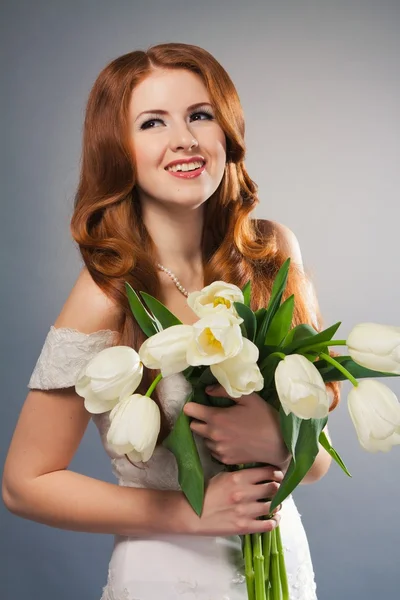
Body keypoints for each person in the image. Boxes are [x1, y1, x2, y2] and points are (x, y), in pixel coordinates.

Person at [2, 43, 339, 600]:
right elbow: (24, 485)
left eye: (199, 115)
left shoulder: (271, 255)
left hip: (282, 560)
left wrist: (281, 439)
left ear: (226, 132)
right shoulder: (107, 293)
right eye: (153, 122)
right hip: (169, 573)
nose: (184, 138)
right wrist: (192, 511)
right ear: (119, 149)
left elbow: (319, 460)